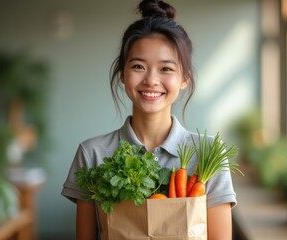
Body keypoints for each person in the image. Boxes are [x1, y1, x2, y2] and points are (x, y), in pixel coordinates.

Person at [61, 0, 237, 239]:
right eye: (138, 66)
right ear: (123, 73)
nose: (151, 80)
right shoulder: (92, 153)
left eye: (166, 69)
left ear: (184, 78)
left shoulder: (208, 153)